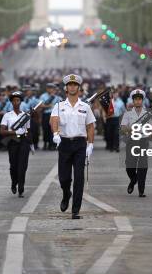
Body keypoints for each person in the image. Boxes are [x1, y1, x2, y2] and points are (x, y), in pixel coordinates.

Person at [50, 74, 96, 219]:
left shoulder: (85, 107)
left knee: (79, 178)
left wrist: (90, 144)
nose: (72, 87)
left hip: (79, 144)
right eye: (70, 84)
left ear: (79, 87)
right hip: (64, 143)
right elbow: (54, 120)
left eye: (75, 85)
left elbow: (90, 126)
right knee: (64, 178)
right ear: (66, 88)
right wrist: (55, 133)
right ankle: (66, 193)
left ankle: (75, 210)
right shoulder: (59, 106)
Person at [0, 91, 32, 198]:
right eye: (14, 100)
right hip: (13, 142)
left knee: (23, 165)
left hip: (23, 142)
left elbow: (28, 130)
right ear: (11, 102)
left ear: (21, 102)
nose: (16, 102)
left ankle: (21, 188)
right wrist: (14, 132)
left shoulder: (25, 115)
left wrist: (30, 143)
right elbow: (2, 131)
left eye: (18, 100)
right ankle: (14, 182)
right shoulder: (7, 115)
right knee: (13, 165)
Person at [120, 89, 150, 197]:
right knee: (129, 166)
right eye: (136, 99)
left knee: (143, 166)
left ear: (142, 100)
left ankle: (141, 190)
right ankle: (133, 180)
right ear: (133, 101)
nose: (138, 101)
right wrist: (131, 129)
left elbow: (150, 129)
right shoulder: (128, 114)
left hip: (143, 141)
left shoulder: (147, 114)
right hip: (132, 141)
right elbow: (123, 128)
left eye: (140, 99)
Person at [39, 83, 62, 150]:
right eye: (49, 88)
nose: (50, 89)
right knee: (45, 129)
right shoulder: (43, 96)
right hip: (46, 114)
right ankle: (46, 143)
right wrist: (47, 106)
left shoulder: (57, 97)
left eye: (52, 88)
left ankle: (52, 144)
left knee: (53, 129)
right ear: (47, 89)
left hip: (54, 115)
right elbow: (40, 105)